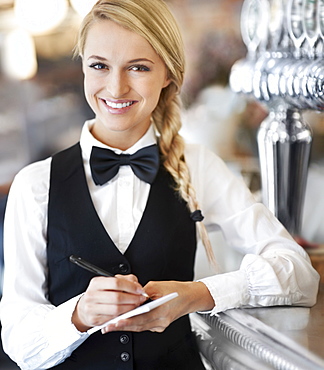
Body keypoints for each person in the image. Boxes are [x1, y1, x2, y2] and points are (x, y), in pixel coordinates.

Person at [0, 0, 320, 369]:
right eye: (100, 66)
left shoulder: (197, 165)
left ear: (168, 73)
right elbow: (18, 342)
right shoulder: (35, 185)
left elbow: (299, 273)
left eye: (138, 67)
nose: (116, 87)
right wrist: (79, 315)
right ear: (84, 67)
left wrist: (197, 295)